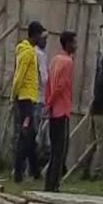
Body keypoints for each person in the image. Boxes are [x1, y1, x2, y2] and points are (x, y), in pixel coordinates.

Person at [11, 21, 45, 182]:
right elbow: (19, 76)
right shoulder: (27, 52)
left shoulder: (29, 51)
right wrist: (14, 96)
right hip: (25, 100)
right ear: (34, 35)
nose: (41, 38)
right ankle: (18, 173)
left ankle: (35, 171)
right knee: (25, 136)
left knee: (30, 136)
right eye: (40, 35)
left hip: (29, 99)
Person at [44, 31, 77, 192]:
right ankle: (53, 186)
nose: (76, 46)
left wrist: (47, 104)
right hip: (62, 110)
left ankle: (48, 184)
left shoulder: (55, 59)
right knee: (60, 151)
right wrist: (51, 102)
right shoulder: (68, 62)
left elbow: (49, 83)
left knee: (54, 150)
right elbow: (60, 86)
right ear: (68, 44)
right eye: (74, 43)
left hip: (53, 111)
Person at [35, 31, 50, 162]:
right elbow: (45, 79)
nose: (45, 42)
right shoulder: (40, 55)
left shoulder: (29, 52)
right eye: (44, 39)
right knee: (40, 134)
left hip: (30, 97)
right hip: (40, 99)